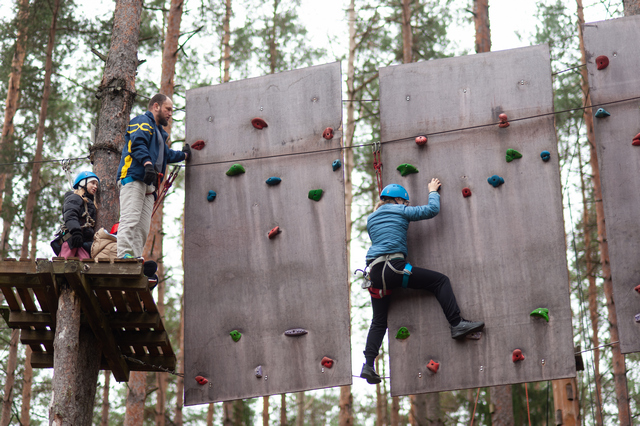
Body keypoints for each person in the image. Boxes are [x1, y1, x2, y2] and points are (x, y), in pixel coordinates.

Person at [359, 180, 485, 384]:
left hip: (375, 274)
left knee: (379, 321)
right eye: (404, 202)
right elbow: (432, 210)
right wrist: (432, 191)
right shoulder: (400, 210)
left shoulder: (371, 219)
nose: (406, 205)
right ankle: (456, 324)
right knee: (440, 281)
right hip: (395, 269)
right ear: (398, 200)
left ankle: (368, 364)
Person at [116, 93, 190, 259]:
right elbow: (137, 144)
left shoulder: (158, 133)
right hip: (133, 177)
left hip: (149, 184)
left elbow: (166, 155)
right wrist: (147, 165)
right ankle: (123, 255)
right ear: (156, 106)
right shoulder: (142, 121)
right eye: (168, 109)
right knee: (131, 219)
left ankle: (133, 258)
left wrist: (184, 155)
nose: (171, 113)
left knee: (142, 227)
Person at [57, 171, 99, 260]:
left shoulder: (89, 203)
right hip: (71, 240)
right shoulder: (75, 198)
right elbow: (70, 214)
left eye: (96, 185)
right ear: (83, 183)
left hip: (82, 243)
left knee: (86, 267)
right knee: (64, 267)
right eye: (92, 183)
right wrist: (76, 231)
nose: (95, 186)